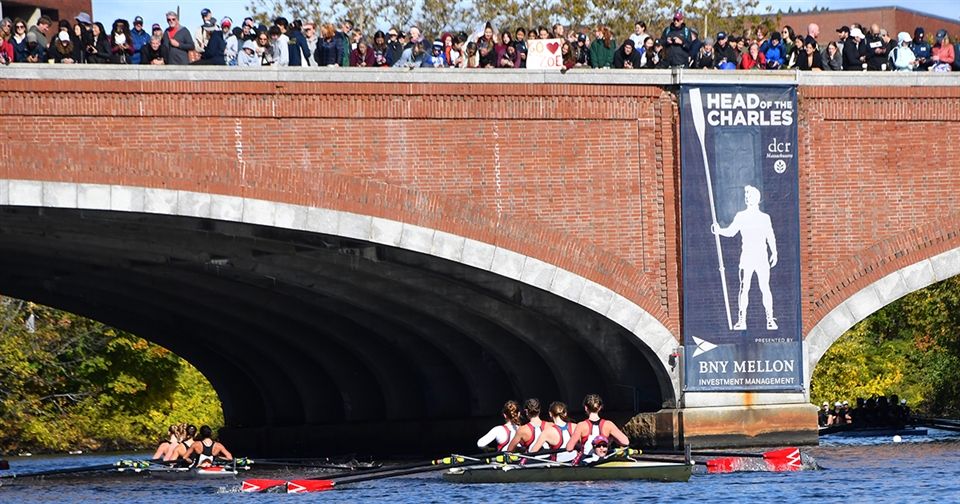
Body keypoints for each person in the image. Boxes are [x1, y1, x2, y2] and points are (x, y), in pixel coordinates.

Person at [711, 186, 778, 330]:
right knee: (744, 287)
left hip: (761, 256)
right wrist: (719, 231)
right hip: (747, 256)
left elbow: (770, 236)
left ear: (757, 199)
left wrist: (774, 252)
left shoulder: (764, 218)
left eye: (750, 196)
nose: (748, 198)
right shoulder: (741, 216)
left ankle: (770, 319)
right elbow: (731, 232)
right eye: (746, 196)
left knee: (765, 287)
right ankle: (742, 320)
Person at [565, 394, 629, 457]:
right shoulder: (608, 424)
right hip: (603, 461)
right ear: (600, 408)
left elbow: (569, 448)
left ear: (586, 408)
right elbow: (625, 442)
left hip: (587, 462)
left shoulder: (581, 425)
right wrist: (611, 439)